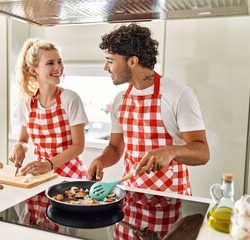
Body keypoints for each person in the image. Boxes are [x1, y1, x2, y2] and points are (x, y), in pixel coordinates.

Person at [86, 22, 210, 194]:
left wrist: (171, 151)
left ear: (133, 61)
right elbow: (115, 148)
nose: (105, 67)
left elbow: (203, 153)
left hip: (171, 199)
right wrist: (101, 160)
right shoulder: (120, 100)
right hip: (130, 196)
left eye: (110, 61)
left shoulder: (178, 94)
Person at [9, 38, 88, 179]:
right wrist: (19, 147)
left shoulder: (70, 99)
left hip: (71, 177)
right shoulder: (27, 103)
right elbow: (23, 140)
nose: (58, 67)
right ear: (34, 70)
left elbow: (78, 146)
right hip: (40, 175)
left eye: (59, 61)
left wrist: (48, 164)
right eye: (50, 63)